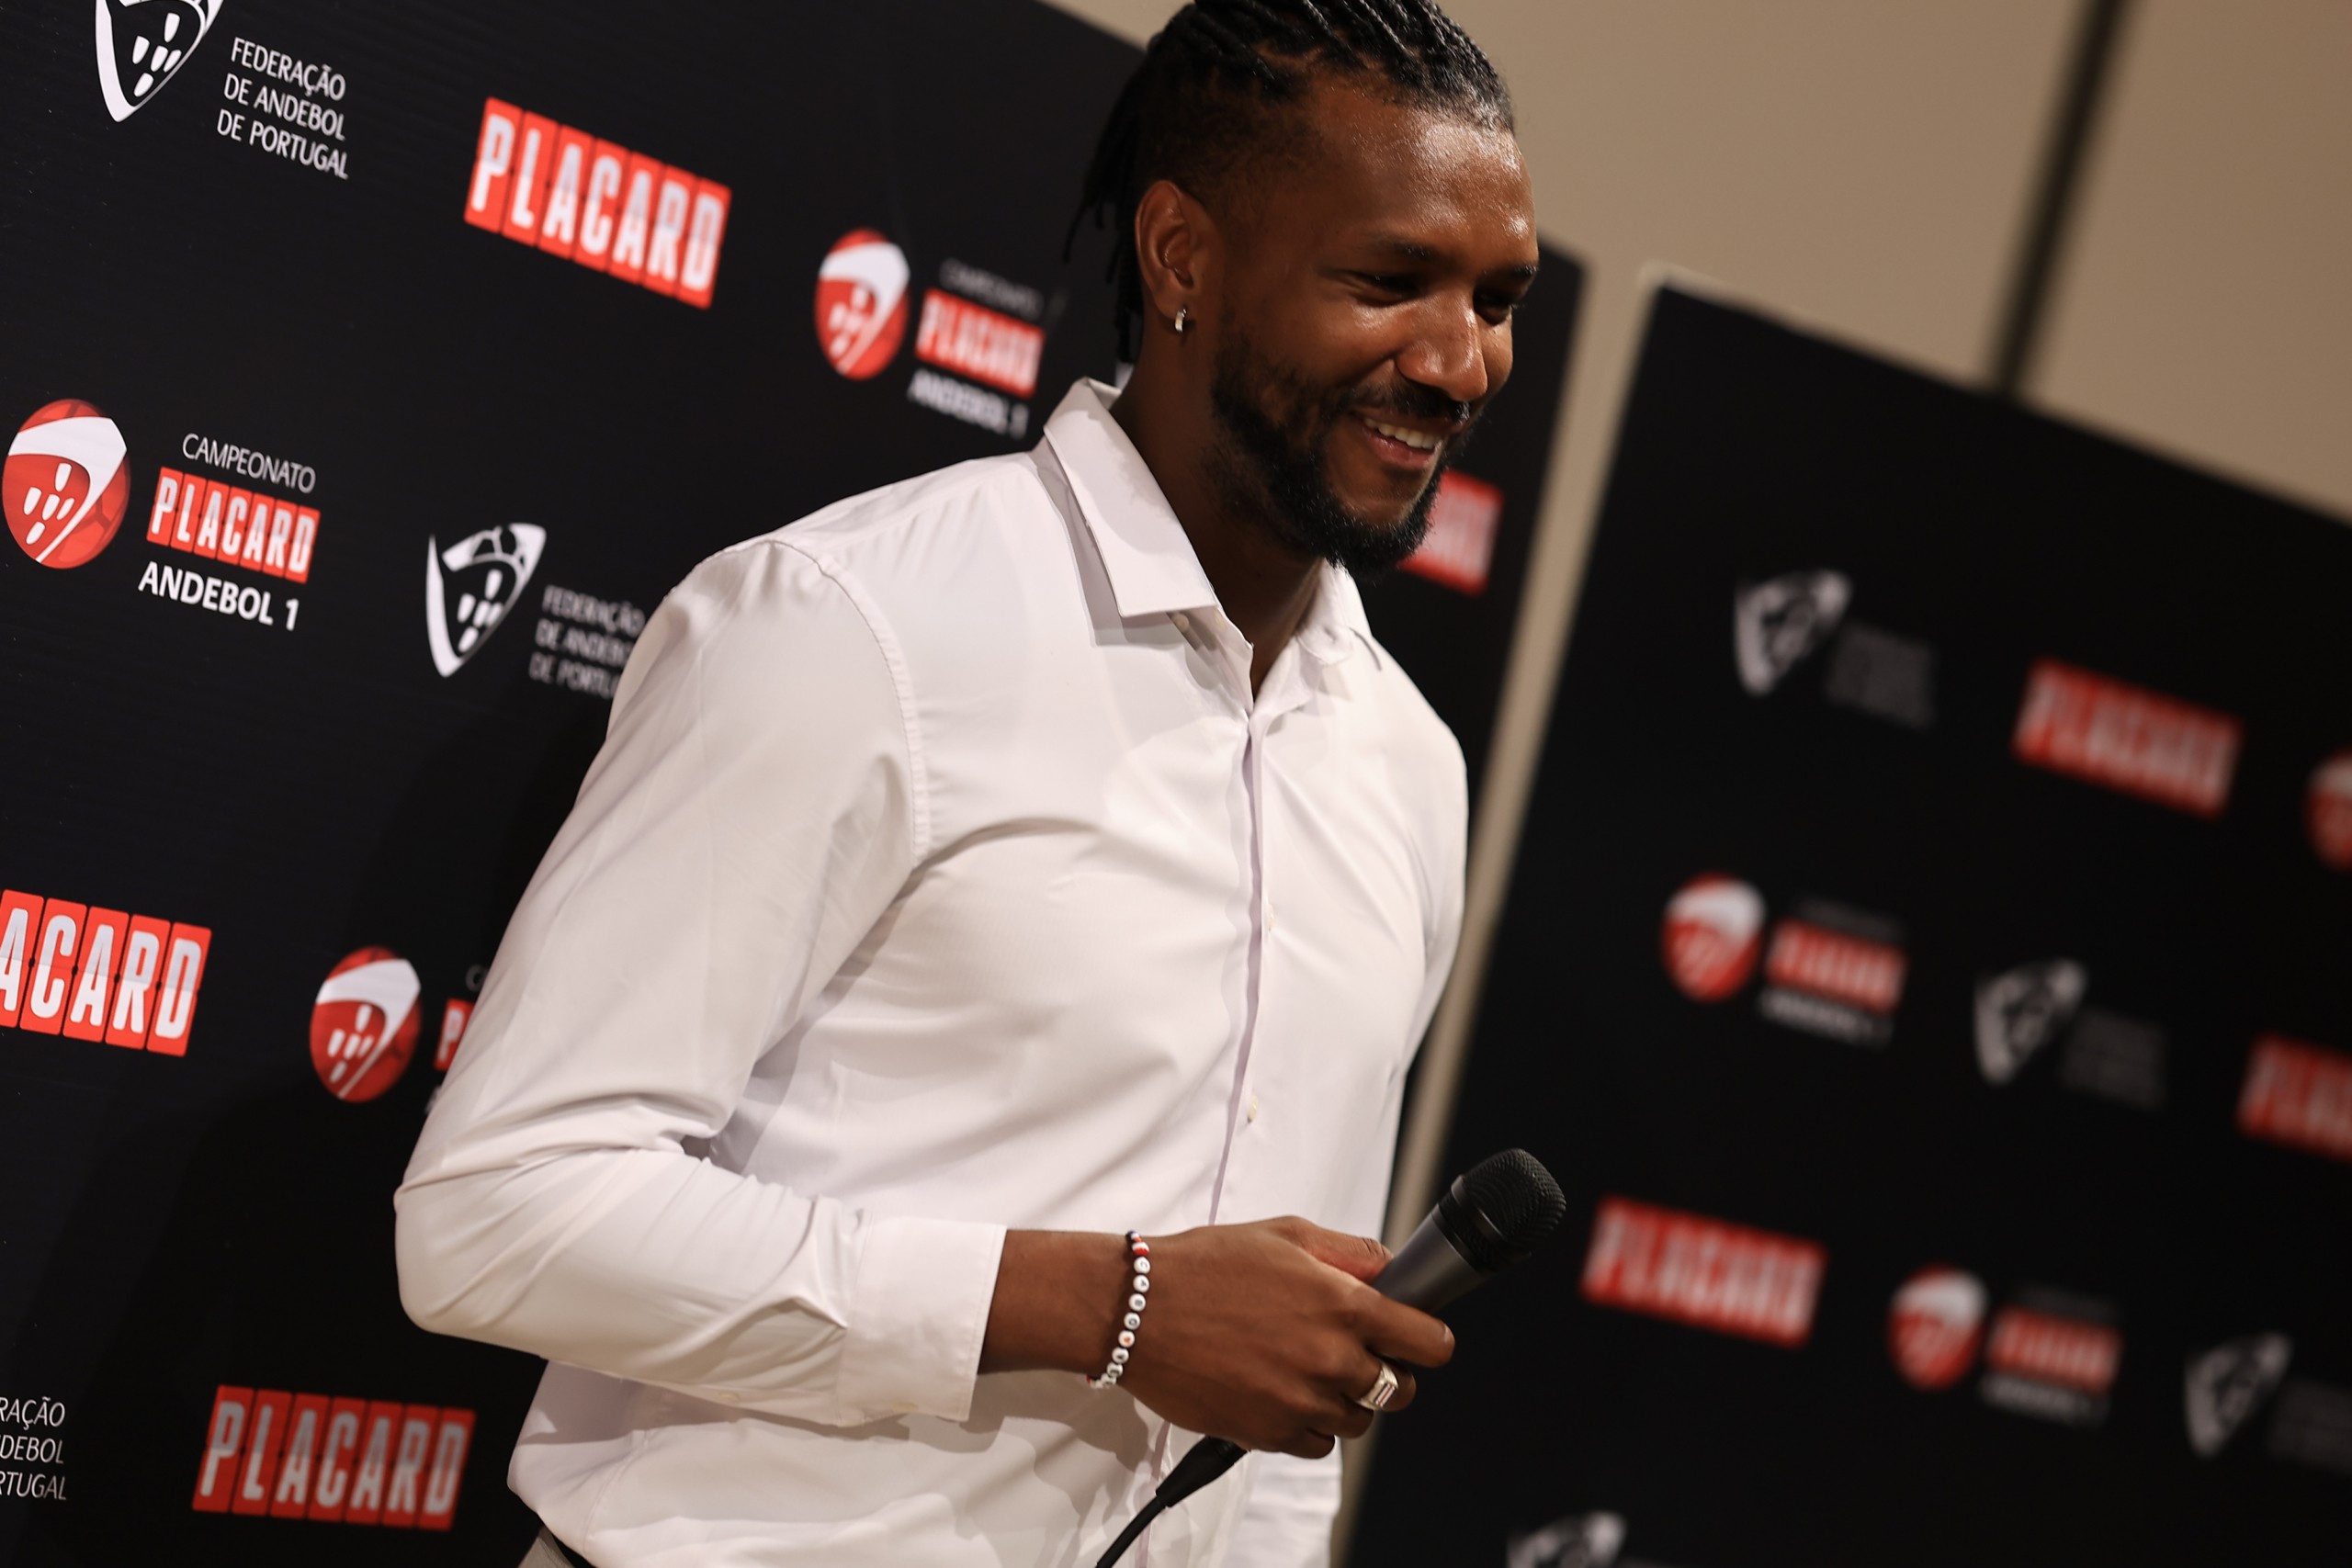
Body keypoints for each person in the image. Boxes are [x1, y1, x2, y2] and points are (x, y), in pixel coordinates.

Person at [394, 2, 1540, 1563]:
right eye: (1390, 281)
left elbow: (1284, 1428)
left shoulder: (1408, 766)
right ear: (1182, 257)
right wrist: (1109, 1305)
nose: (1462, 361)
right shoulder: (854, 624)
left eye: (1497, 300)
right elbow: (496, 1215)